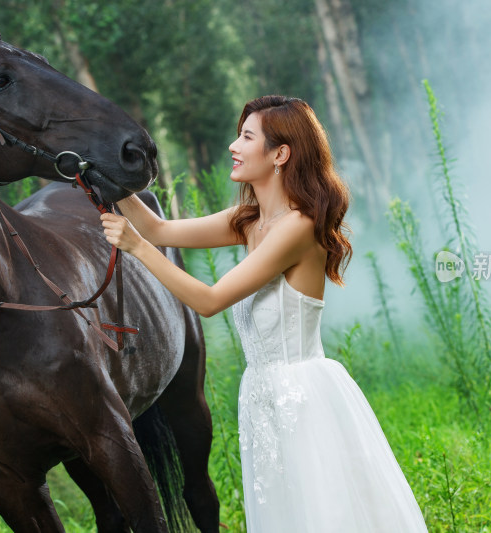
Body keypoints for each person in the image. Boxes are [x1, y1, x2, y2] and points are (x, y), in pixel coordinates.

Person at [101, 95, 428, 532]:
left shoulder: (298, 227)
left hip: (303, 398)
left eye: (247, 136)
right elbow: (159, 229)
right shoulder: (250, 219)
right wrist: (104, 171)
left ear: (280, 154)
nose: (234, 145)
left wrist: (137, 249)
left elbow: (210, 300)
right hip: (262, 397)